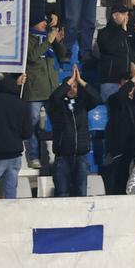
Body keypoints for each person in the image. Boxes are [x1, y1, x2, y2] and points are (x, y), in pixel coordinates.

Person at [0, 79, 35, 200]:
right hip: (15, 155)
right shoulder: (22, 104)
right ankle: (10, 218)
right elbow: (27, 133)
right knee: (10, 193)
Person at [48, 65, 100, 197]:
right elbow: (54, 97)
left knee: (81, 192)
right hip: (62, 156)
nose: (72, 89)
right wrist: (70, 80)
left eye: (75, 86)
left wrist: (81, 81)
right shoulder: (57, 106)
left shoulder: (83, 104)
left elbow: (96, 98)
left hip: (81, 156)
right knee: (62, 193)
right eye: (70, 86)